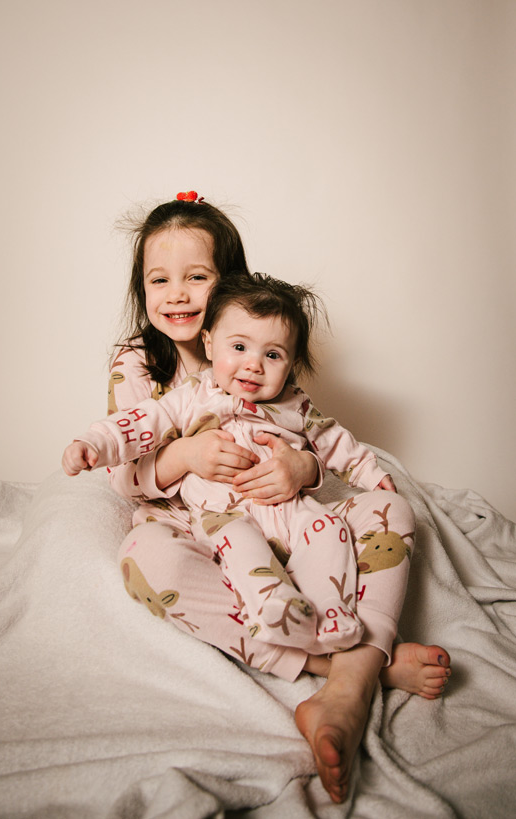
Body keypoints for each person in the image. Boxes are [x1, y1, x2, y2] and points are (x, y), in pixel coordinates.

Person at [63, 193, 451, 803]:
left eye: (196, 277)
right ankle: (344, 667)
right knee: (143, 560)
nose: (177, 294)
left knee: (393, 511)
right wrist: (185, 456)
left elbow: (314, 430)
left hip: (284, 516)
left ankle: (348, 675)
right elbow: (125, 470)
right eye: (159, 280)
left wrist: (304, 468)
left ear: (228, 282)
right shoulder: (137, 361)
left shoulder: (260, 343)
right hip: (203, 524)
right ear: (142, 289)